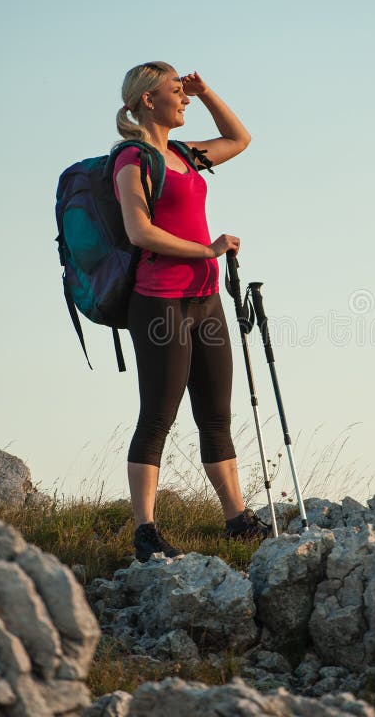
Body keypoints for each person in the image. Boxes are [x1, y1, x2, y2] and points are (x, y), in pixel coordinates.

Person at [112, 60, 270, 562]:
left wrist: (207, 94)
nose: (182, 98)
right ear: (146, 100)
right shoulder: (131, 158)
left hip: (205, 301)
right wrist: (208, 250)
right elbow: (140, 232)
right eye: (175, 92)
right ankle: (146, 532)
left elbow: (240, 139)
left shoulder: (184, 154)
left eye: (185, 91)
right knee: (158, 415)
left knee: (216, 416)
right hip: (160, 301)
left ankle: (237, 520)